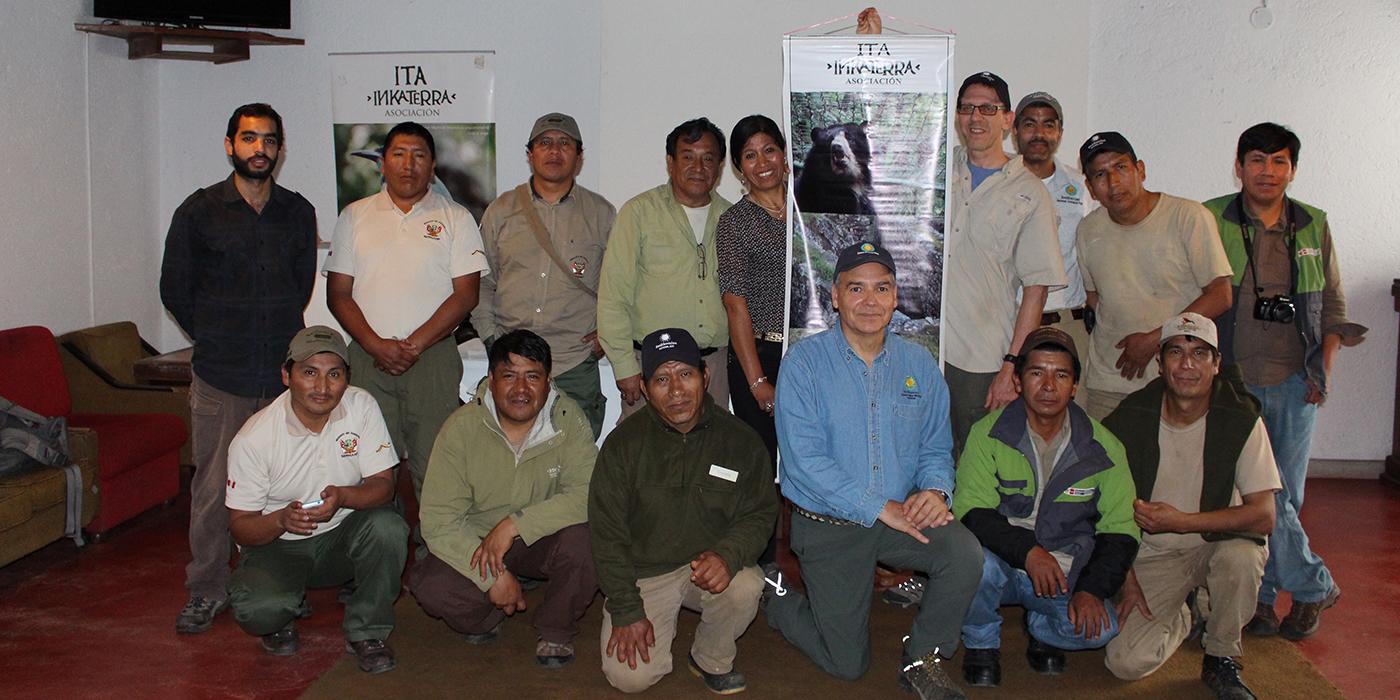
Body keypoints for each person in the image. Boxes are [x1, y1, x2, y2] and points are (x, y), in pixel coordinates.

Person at [769, 241, 982, 700]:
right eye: (857, 288)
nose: (870, 301)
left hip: (899, 516)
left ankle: (922, 657)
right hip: (830, 525)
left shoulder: (919, 365)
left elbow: (935, 448)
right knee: (847, 666)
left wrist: (936, 491)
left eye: (881, 288)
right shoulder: (803, 364)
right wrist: (878, 506)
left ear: (895, 296)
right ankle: (776, 594)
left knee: (963, 554)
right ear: (835, 295)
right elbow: (804, 464)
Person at [160, 102, 317, 635]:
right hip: (221, 375)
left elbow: (300, 287)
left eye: (270, 140)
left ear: (280, 149)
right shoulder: (198, 211)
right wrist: (217, 333)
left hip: (280, 376)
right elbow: (175, 290)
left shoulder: (297, 212)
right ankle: (206, 589)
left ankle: (277, 581)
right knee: (212, 489)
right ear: (230, 145)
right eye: (249, 139)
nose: (260, 149)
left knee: (284, 483)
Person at [1203, 122, 1364, 640]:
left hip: (1296, 380)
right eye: (1256, 160)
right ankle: (1307, 588)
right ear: (1239, 165)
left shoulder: (1313, 223)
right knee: (1256, 494)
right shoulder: (1213, 217)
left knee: (1283, 496)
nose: (1267, 171)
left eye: (1278, 162)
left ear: (1292, 169)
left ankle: (1270, 596)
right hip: (1233, 378)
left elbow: (1334, 305)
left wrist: (1324, 372)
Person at [1101, 313, 1280, 700]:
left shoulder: (1240, 419)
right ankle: (1188, 614)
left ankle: (1221, 655)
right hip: (1152, 555)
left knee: (1241, 558)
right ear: (1160, 363)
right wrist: (1126, 577)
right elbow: (1100, 509)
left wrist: (1184, 522)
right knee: (1123, 663)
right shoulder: (1128, 419)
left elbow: (1264, 516)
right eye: (1176, 352)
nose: (1187, 364)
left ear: (1216, 365)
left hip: (1214, 542)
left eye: (1200, 354)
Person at [589, 327, 777, 694]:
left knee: (747, 585)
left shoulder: (741, 441)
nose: (676, 390)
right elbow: (606, 535)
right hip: (645, 574)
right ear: (643, 389)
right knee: (630, 679)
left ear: (705, 377)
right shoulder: (622, 446)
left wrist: (728, 554)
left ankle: (709, 658)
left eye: (685, 374)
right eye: (661, 379)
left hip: (708, 566)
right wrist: (626, 608)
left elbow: (759, 513)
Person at [954, 327, 1139, 687]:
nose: (1049, 385)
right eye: (1037, 372)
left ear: (1074, 387)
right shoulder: (987, 434)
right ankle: (981, 641)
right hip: (1003, 563)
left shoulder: (1105, 448)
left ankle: (1041, 627)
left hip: (1066, 569)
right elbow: (971, 511)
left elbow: (1122, 529)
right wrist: (1029, 553)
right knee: (967, 560)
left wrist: (1091, 590)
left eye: (1061, 375)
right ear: (1020, 382)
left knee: (1100, 632)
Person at [225, 326, 408, 674]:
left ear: (347, 379)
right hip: (278, 544)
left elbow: (384, 485)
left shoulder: (361, 407)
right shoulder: (254, 439)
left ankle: (367, 631)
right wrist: (281, 520)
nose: (322, 387)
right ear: (286, 375)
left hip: (341, 535)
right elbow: (241, 528)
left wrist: (343, 497)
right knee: (258, 614)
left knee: (388, 527)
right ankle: (281, 607)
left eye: (334, 374)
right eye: (309, 373)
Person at [410, 330, 597, 669]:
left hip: (540, 536)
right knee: (430, 586)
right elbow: (438, 520)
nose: (521, 389)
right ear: (492, 380)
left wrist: (514, 525)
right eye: (509, 376)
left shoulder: (568, 419)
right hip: (478, 541)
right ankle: (487, 618)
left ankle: (555, 629)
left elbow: (588, 493)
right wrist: (491, 577)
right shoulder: (460, 428)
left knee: (587, 540)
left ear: (547, 381)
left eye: (532, 376)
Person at [324, 121, 489, 501]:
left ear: (432, 167)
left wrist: (412, 346)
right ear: (383, 163)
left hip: (433, 359)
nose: (408, 164)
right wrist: (376, 345)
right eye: (398, 154)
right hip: (367, 358)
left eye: (419, 156)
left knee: (436, 466)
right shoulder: (354, 215)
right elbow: (338, 294)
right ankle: (379, 550)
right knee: (367, 467)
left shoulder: (456, 217)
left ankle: (435, 551)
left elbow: (466, 295)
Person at [943, 71, 1066, 456]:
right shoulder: (936, 172)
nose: (975, 117)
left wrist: (1011, 366)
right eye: (966, 108)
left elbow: (1036, 290)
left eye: (987, 108)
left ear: (1007, 119)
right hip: (922, 347)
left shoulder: (1030, 194)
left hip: (980, 360)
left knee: (975, 463)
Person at [473, 113, 616, 438]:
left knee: (574, 462)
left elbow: (619, 286)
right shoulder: (501, 211)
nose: (555, 151)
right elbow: (482, 281)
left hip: (573, 362)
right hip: (512, 360)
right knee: (505, 461)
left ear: (579, 157)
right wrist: (492, 338)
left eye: (565, 144)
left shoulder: (601, 214)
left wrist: (607, 334)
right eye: (545, 143)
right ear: (530, 154)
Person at [1075, 132, 1233, 420]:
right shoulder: (1088, 230)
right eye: (1100, 174)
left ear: (1141, 170)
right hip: (1107, 381)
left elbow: (1221, 295)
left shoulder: (1188, 216)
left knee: (1171, 464)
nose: (1113, 182)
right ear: (1090, 187)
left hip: (1175, 380)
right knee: (1106, 463)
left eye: (1121, 168)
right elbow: (1094, 296)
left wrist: (1155, 339)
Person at [596, 118, 732, 421]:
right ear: (670, 162)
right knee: (644, 460)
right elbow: (613, 296)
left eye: (708, 158)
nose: (698, 167)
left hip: (714, 368)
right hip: (649, 365)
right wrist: (625, 367)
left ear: (720, 166)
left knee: (709, 459)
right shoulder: (639, 213)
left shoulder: (732, 218)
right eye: (687, 157)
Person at [718, 114, 789, 462]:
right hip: (760, 356)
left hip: (809, 353)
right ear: (738, 167)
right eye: (750, 155)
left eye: (770, 150)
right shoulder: (734, 223)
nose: (762, 163)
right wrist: (758, 382)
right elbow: (735, 305)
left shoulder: (810, 209)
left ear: (784, 154)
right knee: (760, 466)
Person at [1011, 92, 1093, 360]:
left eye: (1048, 125)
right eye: (1029, 124)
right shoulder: (998, 185)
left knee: (1072, 403)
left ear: (1059, 132)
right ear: (1014, 131)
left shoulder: (1081, 186)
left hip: (1067, 323)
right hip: (1008, 323)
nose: (1039, 133)